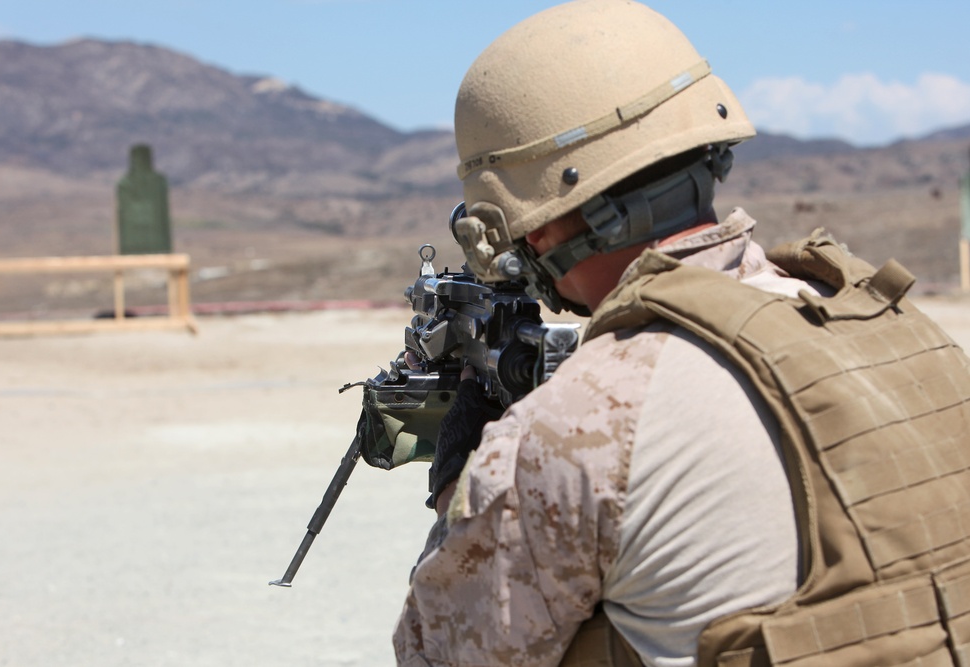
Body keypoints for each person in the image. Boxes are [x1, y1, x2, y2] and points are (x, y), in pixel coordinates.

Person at [393, 1, 970, 665]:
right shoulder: (888, 323)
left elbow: (438, 652)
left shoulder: (581, 423)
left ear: (537, 226)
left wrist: (461, 493)